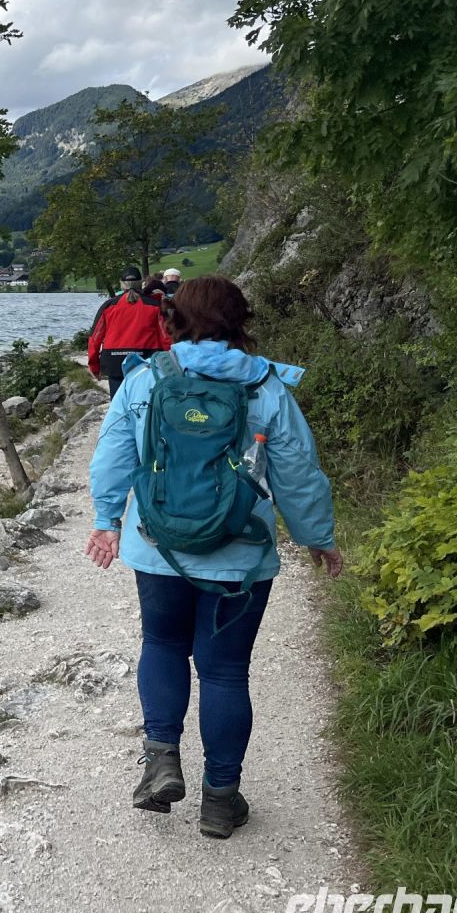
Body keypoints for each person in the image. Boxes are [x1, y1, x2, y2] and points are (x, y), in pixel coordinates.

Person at [84, 275, 340, 839]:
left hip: (158, 549)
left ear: (171, 320)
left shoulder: (147, 379)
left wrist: (107, 520)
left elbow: (112, 457)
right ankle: (220, 800)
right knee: (225, 671)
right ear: (240, 322)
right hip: (239, 554)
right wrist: (317, 537)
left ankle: (161, 761)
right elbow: (298, 476)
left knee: (163, 644)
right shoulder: (266, 388)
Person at [87, 267, 171, 397]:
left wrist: (94, 366)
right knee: (144, 404)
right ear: (141, 282)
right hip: (146, 362)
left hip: (114, 362)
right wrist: (169, 364)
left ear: (121, 283)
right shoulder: (155, 306)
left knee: (118, 404)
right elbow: (166, 338)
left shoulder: (108, 306)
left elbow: (95, 338)